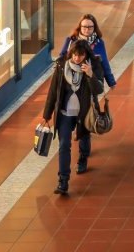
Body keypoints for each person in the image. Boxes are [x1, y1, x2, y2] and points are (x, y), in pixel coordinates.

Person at [42, 40, 104, 195]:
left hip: (84, 113)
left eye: (81, 55)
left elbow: (98, 90)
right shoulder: (62, 66)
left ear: (86, 55)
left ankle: (83, 157)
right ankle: (63, 180)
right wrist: (47, 115)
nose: (77, 58)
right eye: (75, 55)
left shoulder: (94, 65)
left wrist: (90, 75)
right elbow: (53, 92)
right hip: (64, 113)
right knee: (64, 145)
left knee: (83, 136)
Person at [58, 14, 118, 91]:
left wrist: (111, 81)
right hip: (73, 79)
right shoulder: (71, 41)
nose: (87, 29)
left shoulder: (99, 42)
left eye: (90, 27)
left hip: (92, 78)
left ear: (94, 27)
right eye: (84, 27)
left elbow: (104, 62)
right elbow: (61, 59)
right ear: (80, 27)